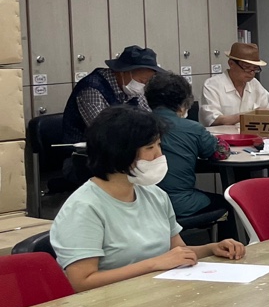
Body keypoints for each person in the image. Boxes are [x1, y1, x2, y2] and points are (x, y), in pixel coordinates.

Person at [50, 107, 245, 292]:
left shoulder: (155, 195)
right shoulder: (84, 207)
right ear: (119, 152)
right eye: (150, 147)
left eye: (159, 145)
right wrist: (154, 264)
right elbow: (81, 282)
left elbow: (178, 251)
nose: (159, 155)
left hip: (155, 293)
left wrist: (212, 248)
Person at [144, 71, 231, 222]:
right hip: (180, 204)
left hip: (142, 204)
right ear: (183, 103)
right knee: (227, 202)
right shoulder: (192, 129)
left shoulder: (134, 125)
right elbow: (220, 153)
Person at [61, 44, 162, 143]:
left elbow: (149, 120)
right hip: (87, 149)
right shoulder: (91, 89)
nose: (143, 85)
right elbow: (104, 131)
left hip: (124, 145)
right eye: (141, 81)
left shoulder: (131, 87)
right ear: (123, 72)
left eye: (146, 82)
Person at [201, 41, 269, 126]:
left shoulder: (254, 84)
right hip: (221, 133)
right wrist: (250, 115)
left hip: (250, 133)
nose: (252, 73)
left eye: (255, 69)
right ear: (231, 64)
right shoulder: (212, 85)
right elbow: (212, 119)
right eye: (247, 67)